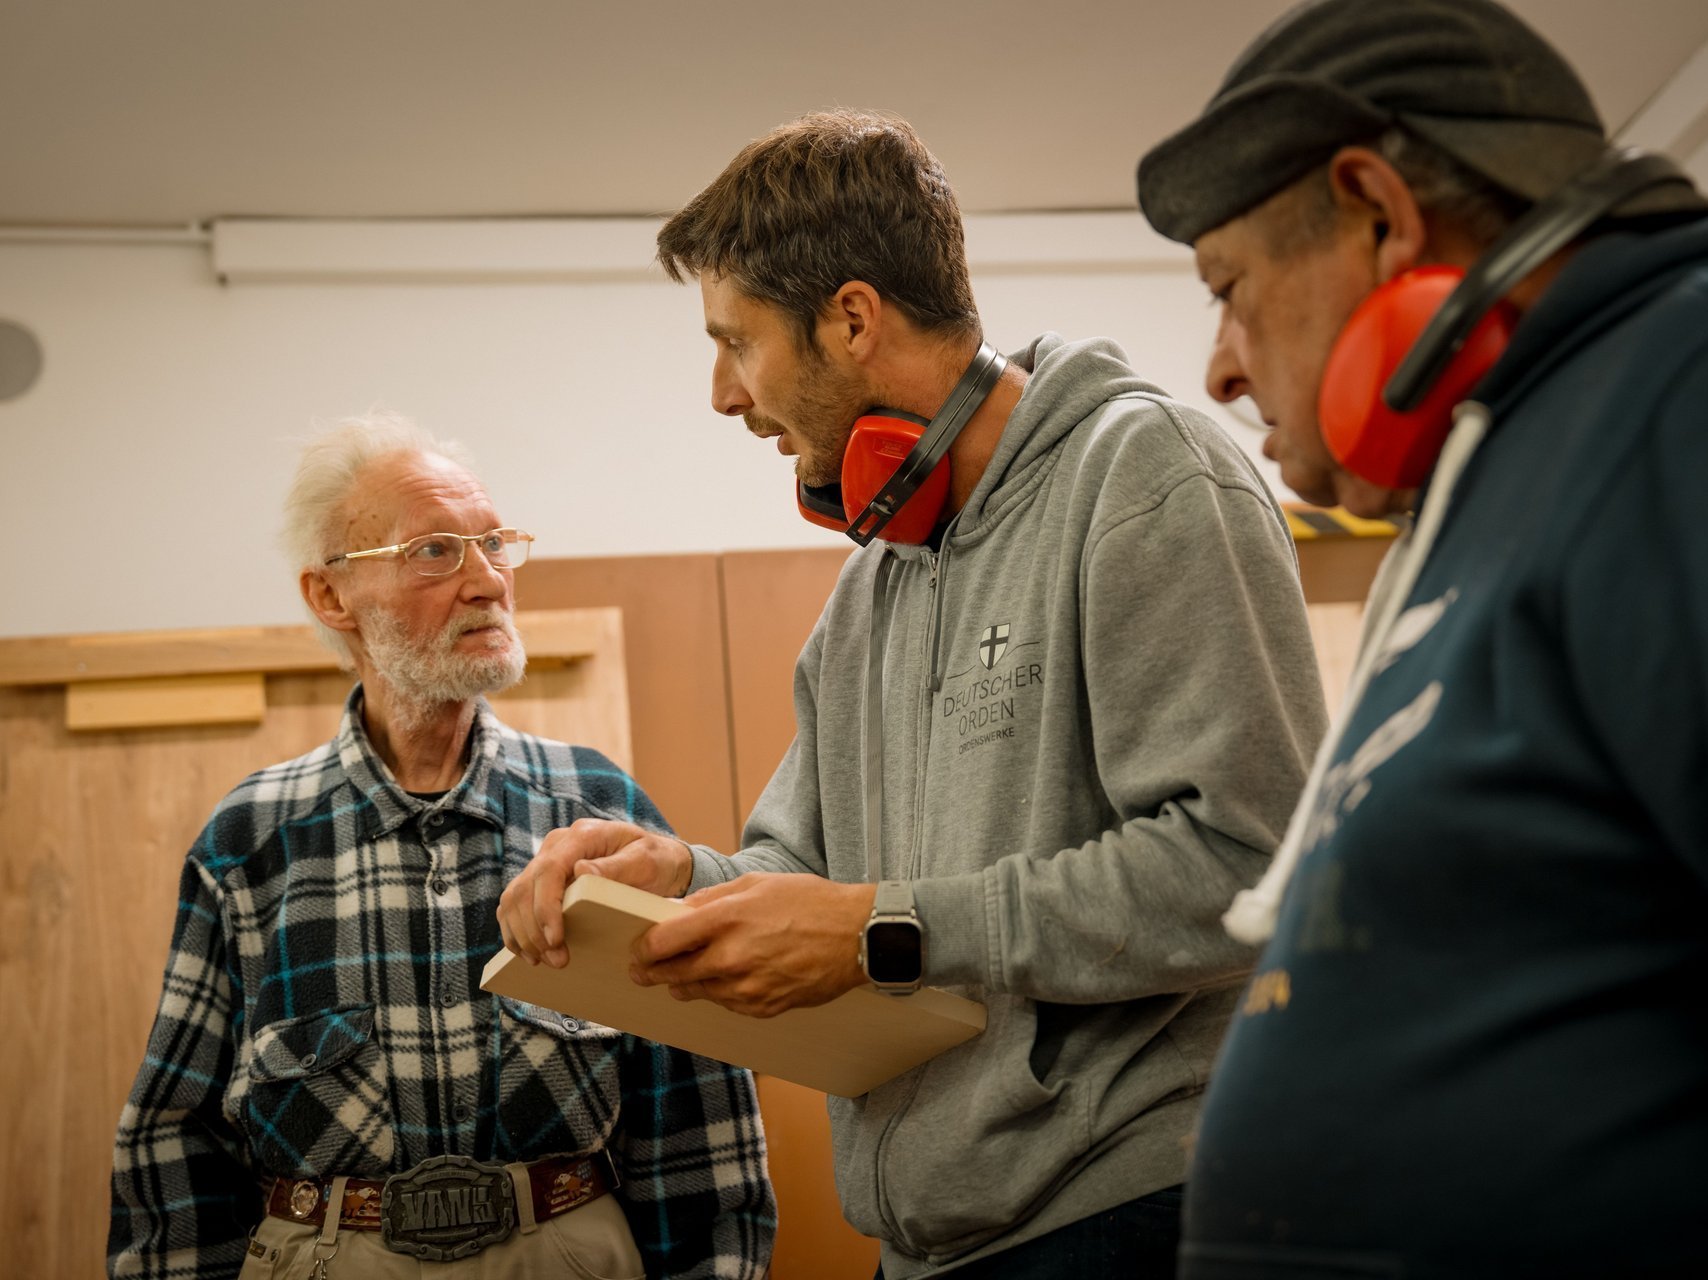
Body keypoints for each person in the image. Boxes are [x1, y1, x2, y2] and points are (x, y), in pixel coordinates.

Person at [499, 111, 1327, 1278]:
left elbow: (1244, 866)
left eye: (735, 342)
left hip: (1129, 1210)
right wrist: (679, 882)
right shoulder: (872, 588)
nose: (723, 393)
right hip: (928, 1243)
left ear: (851, 319)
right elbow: (812, 881)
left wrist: (886, 930)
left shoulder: (1142, 474)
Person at [1135, 1, 1708, 1276]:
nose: (1219, 370)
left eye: (1228, 290)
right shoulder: (1512, 462)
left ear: (1378, 214)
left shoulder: (1674, 391)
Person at [109, 414, 775, 1279]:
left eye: (494, 543)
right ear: (330, 596)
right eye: (435, 551)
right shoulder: (250, 840)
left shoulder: (598, 811)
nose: (488, 580)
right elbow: (175, 1138)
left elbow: (696, 1116)